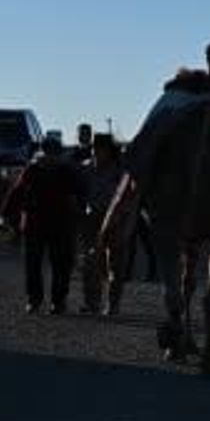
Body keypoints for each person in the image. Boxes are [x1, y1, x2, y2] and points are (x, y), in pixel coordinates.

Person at [0, 136, 84, 315]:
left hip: (60, 224)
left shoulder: (66, 172)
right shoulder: (33, 170)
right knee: (34, 265)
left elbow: (79, 196)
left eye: (53, 152)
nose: (50, 156)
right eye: (48, 152)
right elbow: (17, 192)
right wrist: (6, 214)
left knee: (60, 265)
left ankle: (57, 301)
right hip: (35, 224)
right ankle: (35, 300)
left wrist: (80, 216)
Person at [80, 134, 127, 315]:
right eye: (94, 148)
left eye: (99, 149)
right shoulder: (86, 168)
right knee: (90, 262)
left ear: (109, 150)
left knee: (115, 264)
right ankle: (92, 303)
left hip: (116, 218)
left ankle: (113, 304)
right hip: (91, 218)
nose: (96, 152)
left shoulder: (120, 171)